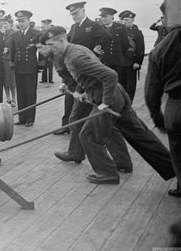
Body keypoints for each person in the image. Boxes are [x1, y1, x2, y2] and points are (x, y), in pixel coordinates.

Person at [42, 26, 174, 184]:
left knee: (88, 135)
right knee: (140, 135)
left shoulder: (74, 57)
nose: (49, 48)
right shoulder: (77, 49)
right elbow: (91, 76)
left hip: (109, 96)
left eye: (51, 44)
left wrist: (105, 102)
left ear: (62, 40)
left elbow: (110, 75)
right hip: (117, 94)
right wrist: (82, 91)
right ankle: (172, 169)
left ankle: (107, 174)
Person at [54, 1, 112, 135]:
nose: (74, 16)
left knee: (83, 100)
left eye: (76, 13)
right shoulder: (74, 27)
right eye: (72, 14)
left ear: (83, 11)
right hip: (74, 68)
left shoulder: (93, 25)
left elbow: (107, 37)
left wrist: (96, 52)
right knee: (69, 97)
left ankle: (80, 127)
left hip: (85, 69)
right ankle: (66, 125)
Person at [145, 8, 181, 197]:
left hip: (176, 107)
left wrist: (157, 117)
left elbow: (152, 90)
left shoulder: (160, 49)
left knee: (177, 150)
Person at [11, 10, 39, 126]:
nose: (21, 23)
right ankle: (22, 117)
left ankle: (30, 119)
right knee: (21, 93)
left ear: (29, 21)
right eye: (19, 21)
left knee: (30, 93)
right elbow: (13, 51)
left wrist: (41, 64)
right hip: (18, 67)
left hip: (30, 68)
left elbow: (41, 50)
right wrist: (12, 63)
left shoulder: (35, 34)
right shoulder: (15, 35)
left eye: (23, 21)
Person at [119, 10, 145, 102]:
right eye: (124, 20)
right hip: (120, 63)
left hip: (131, 63)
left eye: (128, 20)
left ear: (132, 20)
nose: (126, 22)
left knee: (130, 86)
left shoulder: (137, 32)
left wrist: (138, 62)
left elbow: (140, 48)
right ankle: (122, 104)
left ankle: (129, 104)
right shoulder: (118, 31)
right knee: (120, 85)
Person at [99, 7, 129, 76]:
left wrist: (119, 55)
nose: (103, 19)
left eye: (106, 16)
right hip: (103, 62)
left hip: (116, 62)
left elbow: (125, 44)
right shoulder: (99, 28)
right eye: (102, 17)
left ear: (112, 16)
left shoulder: (121, 27)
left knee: (116, 83)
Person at [2, 14, 17, 107]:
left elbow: (17, 46)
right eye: (3, 24)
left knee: (12, 81)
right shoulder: (2, 34)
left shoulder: (14, 34)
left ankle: (14, 99)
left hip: (10, 60)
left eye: (6, 23)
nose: (4, 25)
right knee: (5, 81)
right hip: (3, 60)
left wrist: (8, 49)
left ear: (11, 24)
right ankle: (7, 99)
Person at [39, 19, 54, 83]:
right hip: (44, 50)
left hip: (50, 50)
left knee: (50, 65)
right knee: (44, 64)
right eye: (45, 24)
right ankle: (44, 79)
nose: (46, 25)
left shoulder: (52, 32)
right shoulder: (42, 32)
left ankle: (50, 79)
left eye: (48, 24)